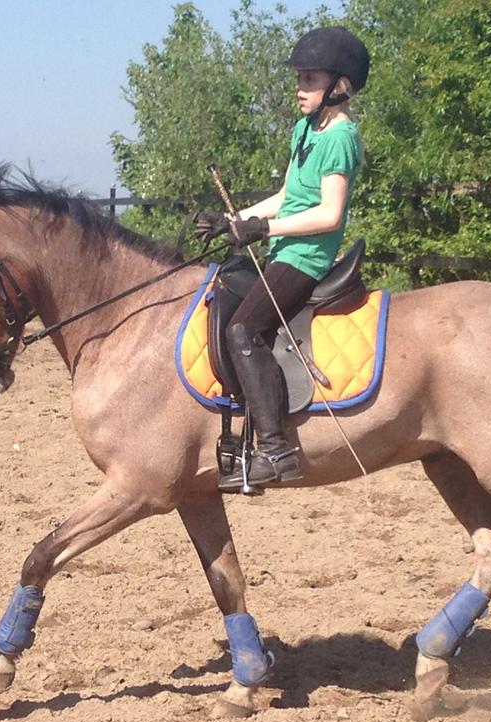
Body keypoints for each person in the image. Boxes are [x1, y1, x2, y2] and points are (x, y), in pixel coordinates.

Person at [195, 26, 368, 490]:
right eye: (298, 78)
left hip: (306, 259)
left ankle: (276, 451)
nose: (299, 87)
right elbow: (289, 196)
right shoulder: (305, 129)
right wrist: (234, 222)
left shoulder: (341, 138)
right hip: (281, 249)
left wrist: (263, 229)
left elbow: (329, 214)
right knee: (221, 291)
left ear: (339, 84)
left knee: (244, 330)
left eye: (309, 79)